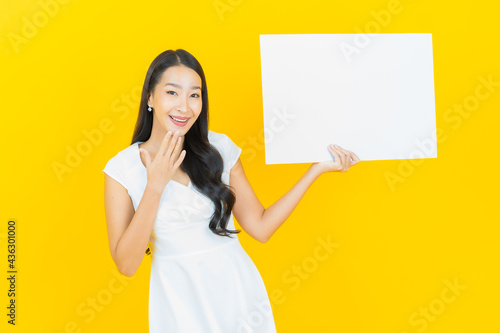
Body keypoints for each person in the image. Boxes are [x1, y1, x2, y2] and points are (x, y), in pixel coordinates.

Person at [102, 49, 360, 333]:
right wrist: (155, 185)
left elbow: (261, 228)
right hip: (177, 302)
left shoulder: (219, 149)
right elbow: (126, 265)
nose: (184, 107)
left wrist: (316, 170)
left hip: (237, 294)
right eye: (172, 93)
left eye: (194, 95)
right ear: (150, 97)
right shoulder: (121, 169)